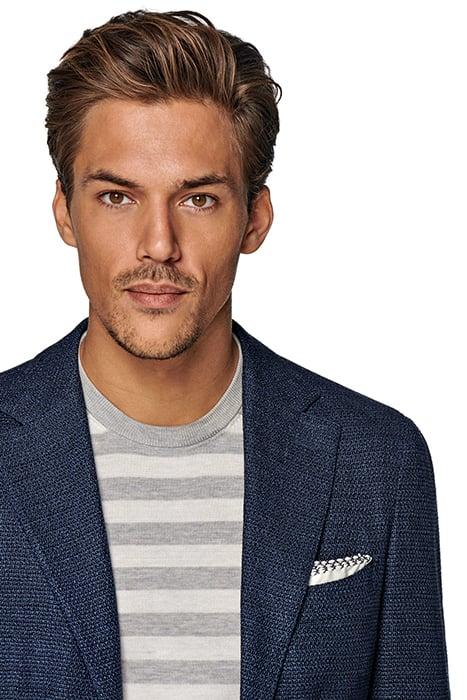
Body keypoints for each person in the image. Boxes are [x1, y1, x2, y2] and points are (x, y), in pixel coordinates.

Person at [0, 9, 450, 700]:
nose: (158, 244)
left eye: (199, 199)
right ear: (65, 211)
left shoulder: (375, 461)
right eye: (117, 196)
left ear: (254, 217)